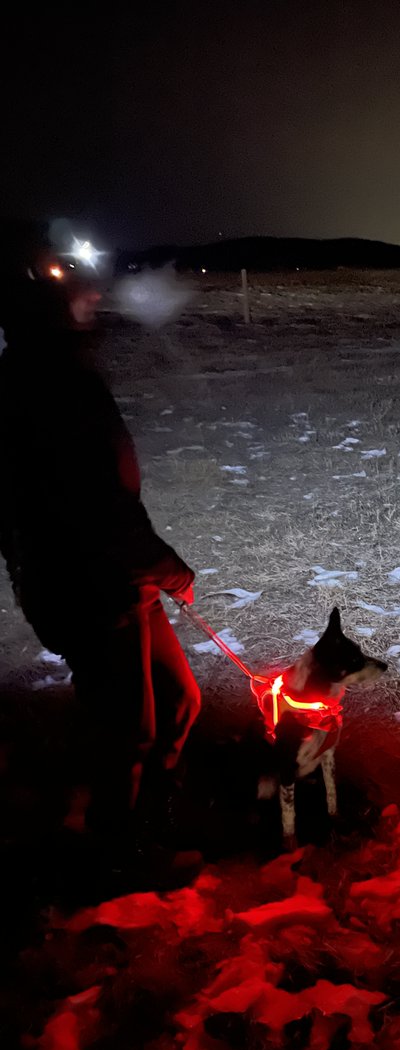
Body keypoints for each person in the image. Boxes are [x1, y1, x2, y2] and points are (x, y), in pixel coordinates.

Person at [0, 221, 201, 863]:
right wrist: (161, 564)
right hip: (83, 585)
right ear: (43, 302)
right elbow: (82, 501)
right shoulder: (41, 383)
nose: (96, 297)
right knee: (128, 729)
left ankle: (151, 809)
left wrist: (147, 567)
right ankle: (117, 850)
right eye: (80, 289)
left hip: (118, 576)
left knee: (176, 700)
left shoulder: (61, 367)